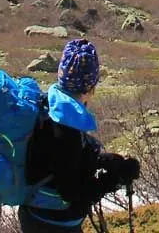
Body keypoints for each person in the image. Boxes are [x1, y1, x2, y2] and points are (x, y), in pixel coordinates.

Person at [17, 38, 140, 232]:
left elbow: (58, 163)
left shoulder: (50, 105)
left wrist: (102, 160)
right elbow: (73, 192)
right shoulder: (66, 127)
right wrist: (115, 179)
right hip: (55, 223)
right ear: (90, 87)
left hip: (34, 215)